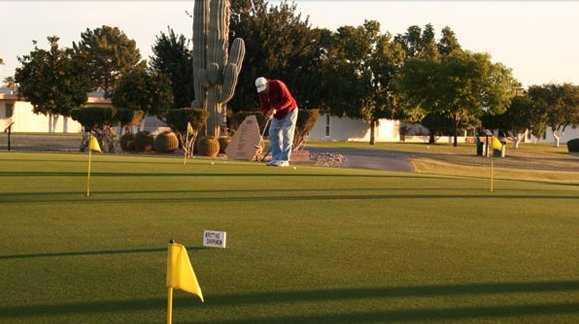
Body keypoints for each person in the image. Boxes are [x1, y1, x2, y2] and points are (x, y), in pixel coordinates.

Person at [255, 77, 299, 167]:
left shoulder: (278, 84)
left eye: (264, 89)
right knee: (273, 133)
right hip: (277, 114)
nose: (263, 92)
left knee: (287, 133)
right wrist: (266, 113)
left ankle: (285, 160)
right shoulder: (262, 93)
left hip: (290, 111)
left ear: (267, 83)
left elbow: (288, 100)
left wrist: (275, 108)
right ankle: (276, 158)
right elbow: (264, 105)